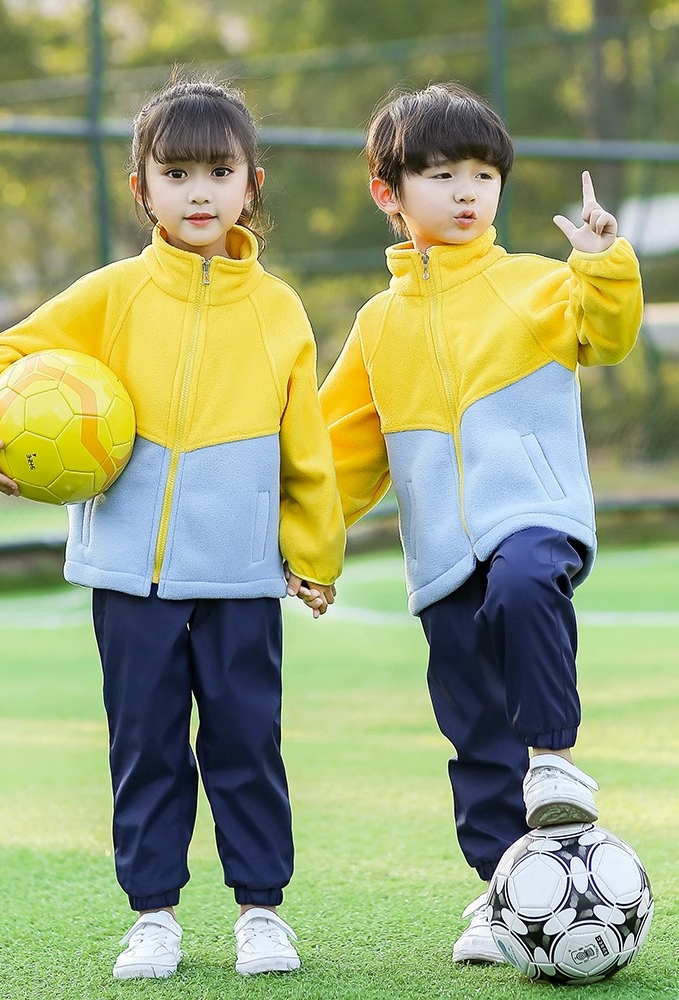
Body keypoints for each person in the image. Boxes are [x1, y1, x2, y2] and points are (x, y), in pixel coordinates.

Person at [0, 73, 345, 979]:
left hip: (239, 578)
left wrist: (312, 554)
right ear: (142, 188)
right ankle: (153, 914)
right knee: (145, 746)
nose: (200, 192)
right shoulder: (109, 295)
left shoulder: (278, 310)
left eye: (219, 171)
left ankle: (260, 912)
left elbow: (305, 445)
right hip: (130, 580)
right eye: (178, 172)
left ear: (251, 184)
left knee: (247, 743)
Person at [319, 81, 642, 964]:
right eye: (440, 174)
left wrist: (604, 262)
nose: (467, 192)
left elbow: (608, 336)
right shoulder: (378, 325)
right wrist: (311, 551)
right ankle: (503, 892)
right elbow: (340, 455)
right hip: (439, 561)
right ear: (390, 193)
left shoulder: (540, 285)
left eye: (483, 175)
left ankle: (556, 758)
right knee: (472, 732)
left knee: (528, 581)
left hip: (536, 517)